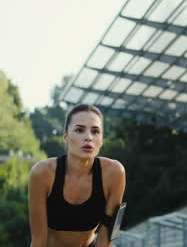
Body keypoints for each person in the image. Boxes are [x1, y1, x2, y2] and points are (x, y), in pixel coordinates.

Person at [28, 104, 126, 247]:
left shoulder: (114, 173)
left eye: (95, 131)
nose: (88, 137)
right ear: (66, 137)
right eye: (80, 130)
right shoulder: (42, 173)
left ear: (101, 140)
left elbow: (105, 239)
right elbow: (38, 241)